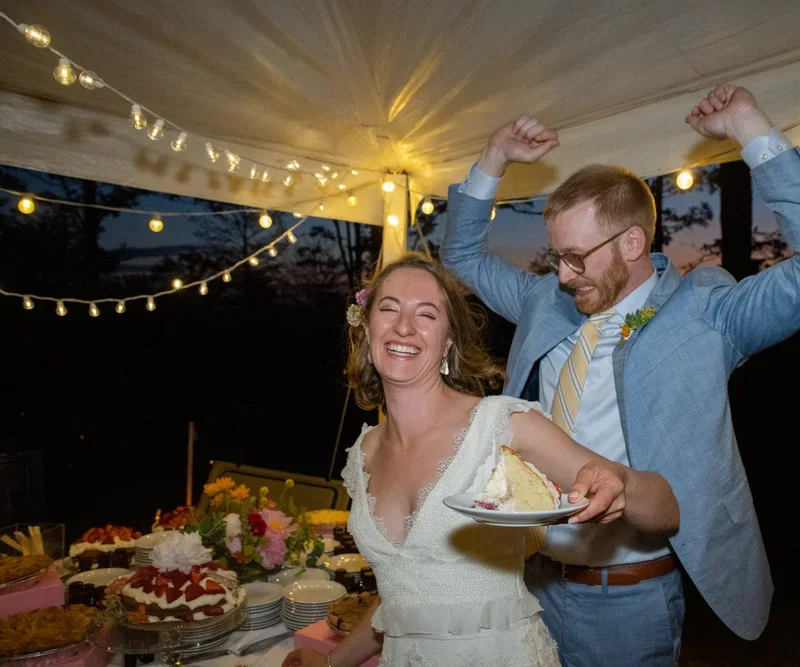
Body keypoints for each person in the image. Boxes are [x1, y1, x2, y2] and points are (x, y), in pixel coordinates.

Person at [440, 83, 800, 666]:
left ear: (633, 241)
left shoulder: (708, 314)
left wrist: (750, 128)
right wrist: (492, 158)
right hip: (527, 585)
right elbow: (460, 256)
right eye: (556, 257)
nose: (563, 274)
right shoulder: (547, 301)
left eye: (576, 256)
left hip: (624, 605)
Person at [281, 253, 679, 667]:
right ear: (367, 328)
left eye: (427, 314)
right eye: (389, 309)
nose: (404, 326)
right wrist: (330, 664)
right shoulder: (361, 455)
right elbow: (400, 602)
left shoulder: (501, 425)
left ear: (448, 341)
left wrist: (622, 485)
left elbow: (666, 509)